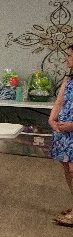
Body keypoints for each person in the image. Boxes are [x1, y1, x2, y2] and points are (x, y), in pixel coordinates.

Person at [50, 45, 73, 225]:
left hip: (71, 130)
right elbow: (59, 102)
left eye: (70, 55)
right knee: (67, 169)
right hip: (63, 134)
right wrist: (52, 119)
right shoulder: (69, 79)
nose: (66, 59)